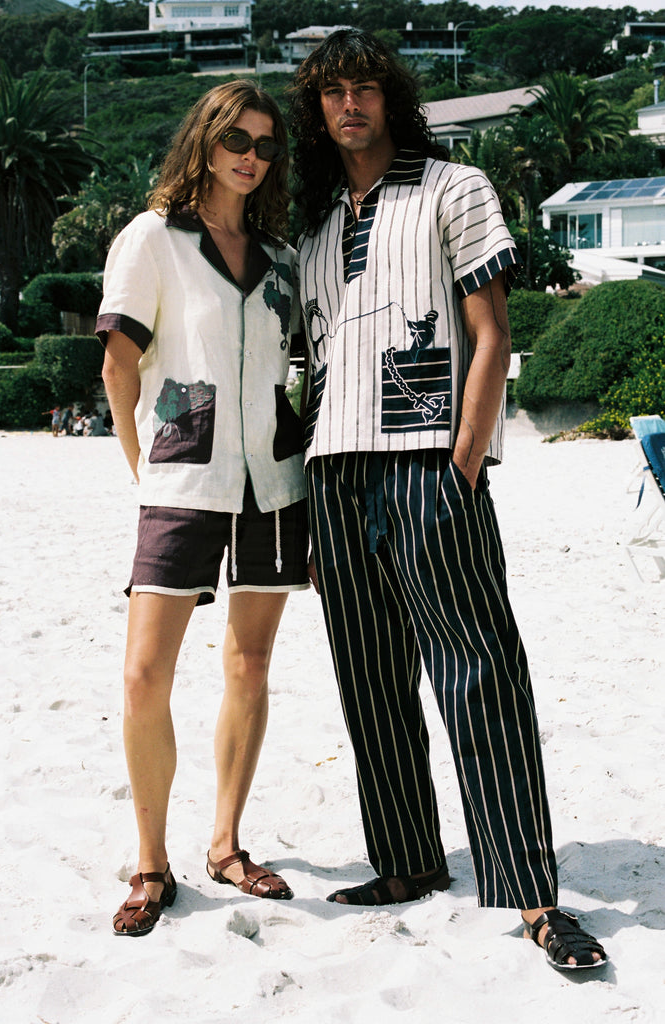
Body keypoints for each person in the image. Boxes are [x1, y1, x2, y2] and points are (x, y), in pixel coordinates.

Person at [290, 29, 607, 973]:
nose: (351, 103)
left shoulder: (452, 188)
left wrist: (464, 459)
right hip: (334, 472)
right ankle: (408, 861)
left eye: (366, 88)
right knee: (371, 677)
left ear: (392, 98)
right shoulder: (307, 222)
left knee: (479, 673)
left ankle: (534, 895)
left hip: (430, 459)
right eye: (333, 91)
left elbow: (491, 330)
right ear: (316, 109)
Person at [97, 80, 309, 936]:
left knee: (248, 666)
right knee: (145, 676)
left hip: (274, 482)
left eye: (264, 144)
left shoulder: (284, 258)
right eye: (236, 140)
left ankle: (226, 843)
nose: (250, 157)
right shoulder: (154, 237)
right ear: (205, 142)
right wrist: (139, 460)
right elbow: (119, 362)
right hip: (182, 477)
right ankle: (153, 863)